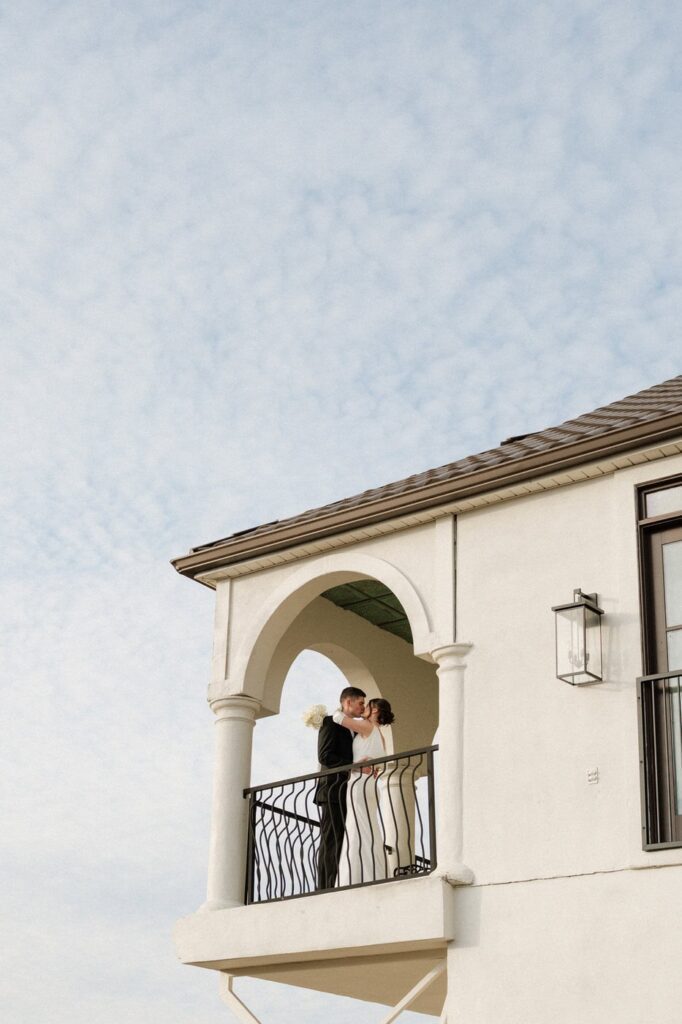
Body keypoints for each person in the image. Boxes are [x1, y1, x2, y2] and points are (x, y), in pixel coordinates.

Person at [333, 697, 395, 888]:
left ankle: (354, 877)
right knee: (368, 827)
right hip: (371, 785)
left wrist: (344, 707)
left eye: (367, 706)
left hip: (359, 782)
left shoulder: (367, 727)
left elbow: (337, 718)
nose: (363, 709)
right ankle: (372, 874)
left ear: (374, 711)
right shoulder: (381, 736)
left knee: (356, 827)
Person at [314, 686, 366, 890]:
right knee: (331, 840)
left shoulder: (354, 728)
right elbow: (325, 756)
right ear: (348, 702)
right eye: (361, 703)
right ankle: (324, 887)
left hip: (347, 790)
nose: (363, 707)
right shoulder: (330, 722)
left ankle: (338, 881)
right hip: (333, 790)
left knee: (343, 839)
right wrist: (354, 766)